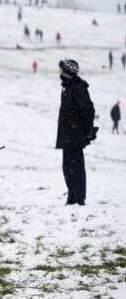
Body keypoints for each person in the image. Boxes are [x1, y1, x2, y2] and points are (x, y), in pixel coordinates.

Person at [56, 59, 97, 206]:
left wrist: (86, 130)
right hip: (67, 135)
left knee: (76, 168)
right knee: (67, 168)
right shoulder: (67, 87)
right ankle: (72, 197)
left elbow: (89, 110)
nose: (60, 73)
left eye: (62, 70)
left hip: (75, 135)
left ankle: (79, 199)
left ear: (68, 71)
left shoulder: (78, 88)